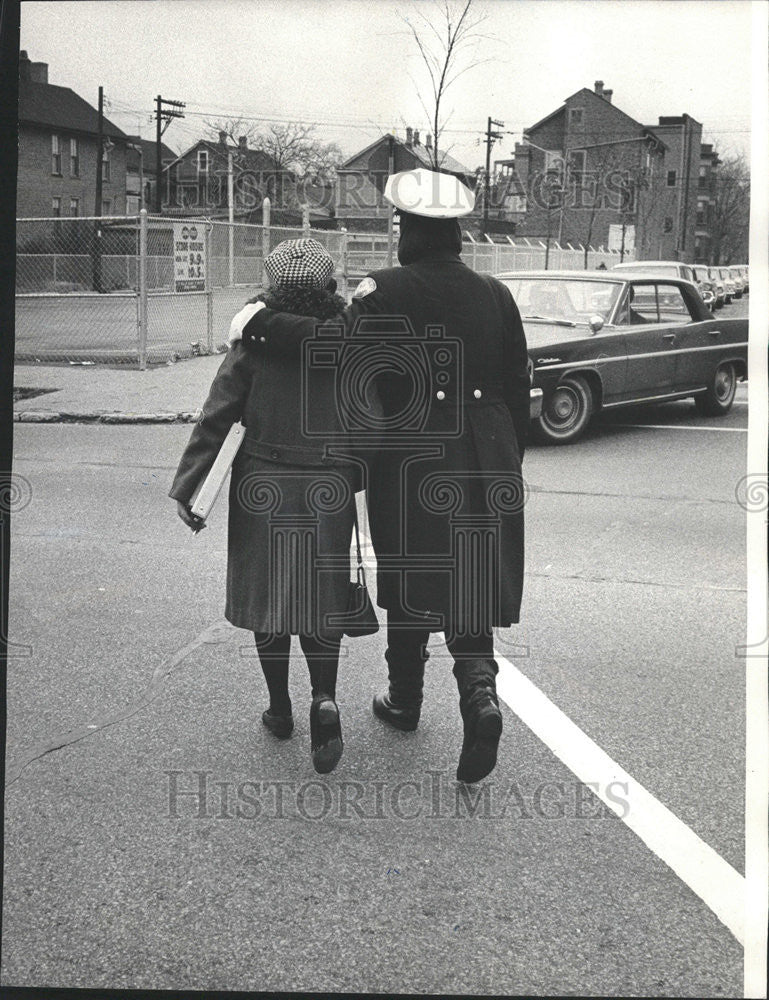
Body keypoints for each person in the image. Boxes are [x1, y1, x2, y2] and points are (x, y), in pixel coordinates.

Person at [229, 168, 531, 784]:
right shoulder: (497, 294)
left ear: (409, 231)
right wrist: (504, 458)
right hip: (489, 450)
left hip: (414, 452)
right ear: (457, 235)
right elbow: (518, 386)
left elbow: (330, 347)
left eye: (399, 226)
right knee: (469, 576)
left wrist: (256, 322)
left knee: (413, 574)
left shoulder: (382, 290)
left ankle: (406, 700)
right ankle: (480, 697)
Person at [169, 239, 364, 775]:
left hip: (263, 483)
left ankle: (280, 709)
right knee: (322, 596)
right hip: (329, 487)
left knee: (267, 596)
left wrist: (189, 488)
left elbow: (217, 415)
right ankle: (323, 697)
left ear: (273, 286)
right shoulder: (349, 340)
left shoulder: (252, 343)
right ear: (328, 284)